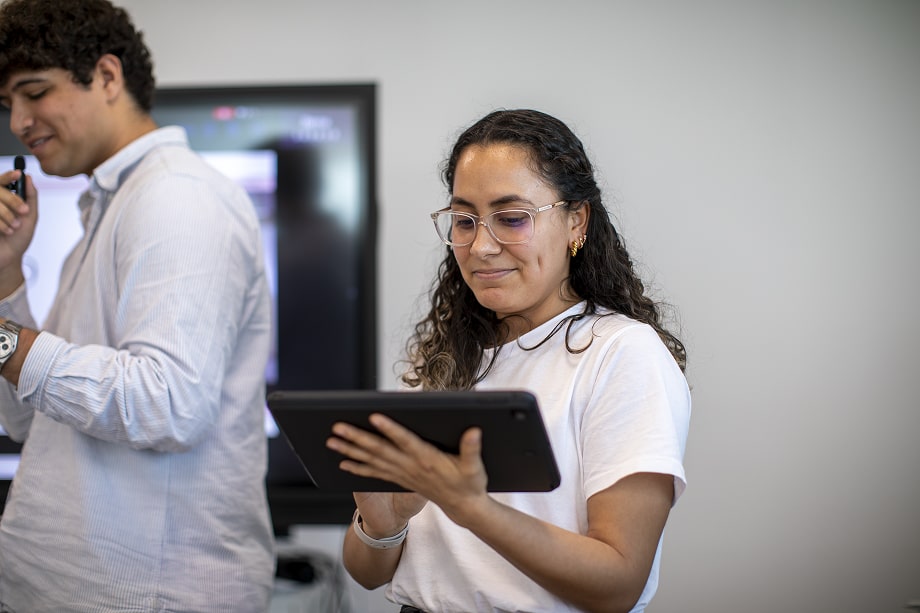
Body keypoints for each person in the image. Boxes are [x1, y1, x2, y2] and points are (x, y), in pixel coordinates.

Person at [327, 109, 691, 613]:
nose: (480, 246)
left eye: (512, 218)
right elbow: (366, 574)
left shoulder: (621, 353)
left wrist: (472, 508)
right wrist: (383, 523)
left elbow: (618, 581)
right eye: (464, 220)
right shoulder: (449, 359)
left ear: (575, 221)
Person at [0, 1, 275, 611]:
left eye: (34, 93)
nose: (18, 121)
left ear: (106, 76)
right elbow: (28, 421)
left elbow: (168, 405)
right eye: (7, 104)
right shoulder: (109, 209)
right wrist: (5, 274)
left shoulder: (175, 198)